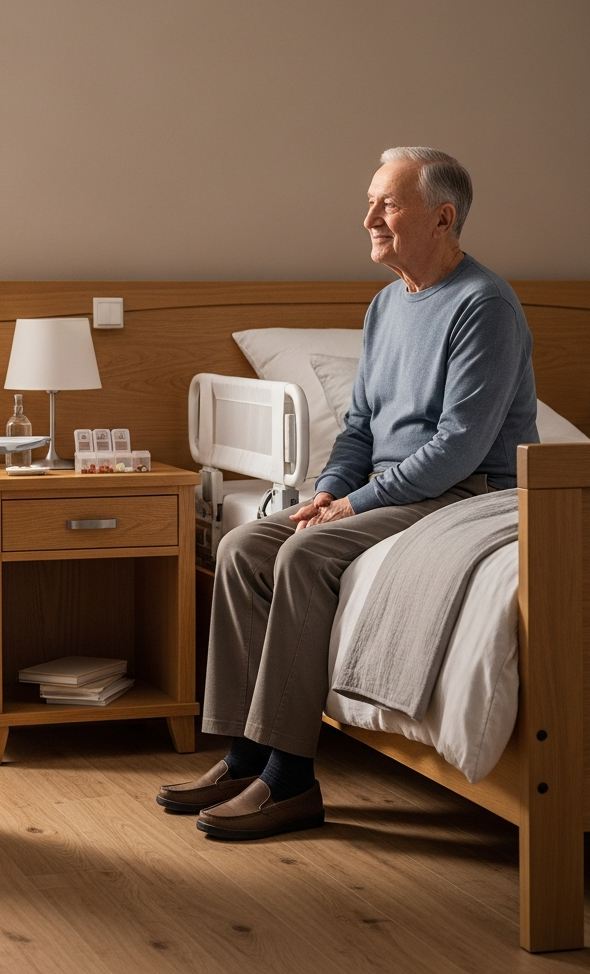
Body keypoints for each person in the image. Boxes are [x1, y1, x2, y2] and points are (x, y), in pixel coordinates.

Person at [157, 147, 538, 840]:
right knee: (245, 547)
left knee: (307, 557)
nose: (369, 219)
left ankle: (290, 780)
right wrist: (328, 488)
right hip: (388, 491)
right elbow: (360, 426)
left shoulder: (485, 307)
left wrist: (353, 506)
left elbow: (458, 445)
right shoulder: (387, 304)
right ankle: (244, 757)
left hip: (464, 493)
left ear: (442, 218)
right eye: (371, 203)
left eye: (387, 205)